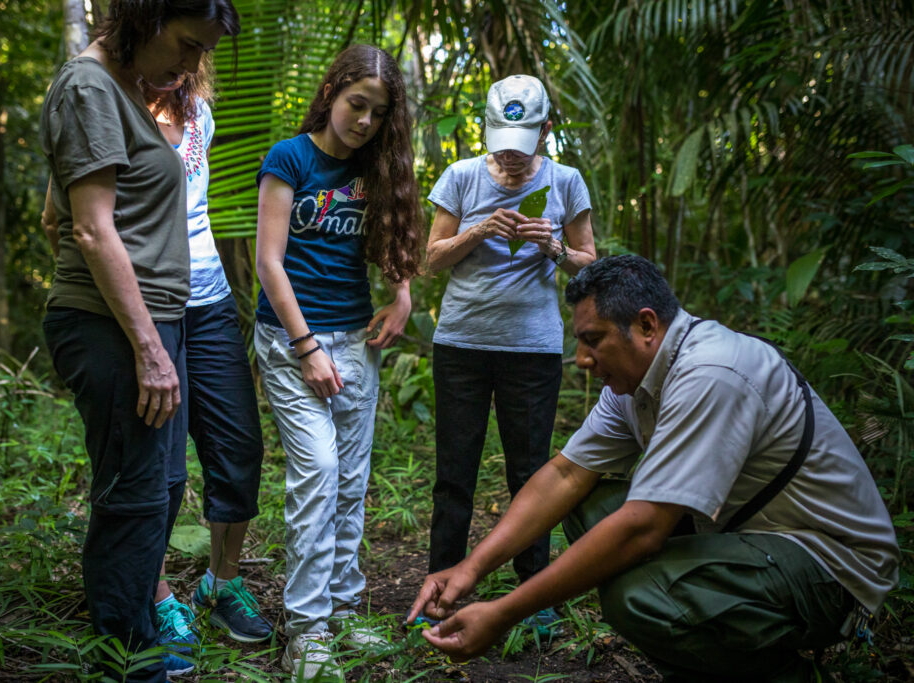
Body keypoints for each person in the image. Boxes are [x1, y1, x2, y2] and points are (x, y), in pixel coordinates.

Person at [408, 254, 900, 681]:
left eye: (593, 340)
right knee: (590, 505)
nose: (581, 358)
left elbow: (642, 528)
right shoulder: (634, 382)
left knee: (635, 595)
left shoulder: (710, 372)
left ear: (647, 326)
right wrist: (470, 569)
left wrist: (504, 613)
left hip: (829, 563)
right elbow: (564, 475)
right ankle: (706, 644)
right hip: (746, 534)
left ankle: (781, 673)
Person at [37, 2, 238, 680]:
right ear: (144, 17)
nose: (189, 65)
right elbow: (90, 229)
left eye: (200, 52)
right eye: (184, 43)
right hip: (111, 323)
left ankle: (134, 625)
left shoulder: (125, 88)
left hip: (150, 320)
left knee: (155, 482)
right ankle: (126, 654)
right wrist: (151, 348)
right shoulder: (89, 87)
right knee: (134, 491)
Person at [253, 44, 423, 680]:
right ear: (332, 93)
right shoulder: (288, 158)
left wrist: (402, 295)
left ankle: (345, 607)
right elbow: (270, 262)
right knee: (320, 471)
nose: (364, 122)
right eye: (357, 105)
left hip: (356, 340)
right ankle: (306, 628)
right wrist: (306, 349)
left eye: (378, 113)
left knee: (350, 479)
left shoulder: (376, 167)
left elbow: (394, 245)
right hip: (291, 340)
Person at [423, 74, 595, 633]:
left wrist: (553, 246)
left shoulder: (567, 180)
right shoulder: (461, 176)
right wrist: (477, 232)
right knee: (455, 474)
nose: (512, 159)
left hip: (532, 349)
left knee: (530, 474)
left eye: (523, 146)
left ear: (546, 130)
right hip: (461, 346)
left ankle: (535, 596)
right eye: (502, 144)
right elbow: (431, 258)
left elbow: (591, 262)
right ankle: (440, 587)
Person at [140, 68, 273, 674]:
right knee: (159, 466)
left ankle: (219, 585)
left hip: (211, 300)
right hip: (148, 306)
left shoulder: (200, 114)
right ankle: (156, 595)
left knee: (239, 446)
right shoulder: (112, 107)